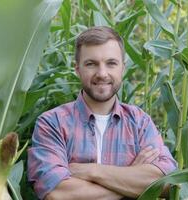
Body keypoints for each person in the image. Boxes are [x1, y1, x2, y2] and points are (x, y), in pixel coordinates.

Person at [28, 26, 177, 200]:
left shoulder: (139, 122)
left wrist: (92, 171)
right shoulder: (52, 123)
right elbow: (57, 194)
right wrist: (130, 181)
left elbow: (167, 183)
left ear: (122, 67)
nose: (102, 73)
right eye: (91, 64)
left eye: (111, 63)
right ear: (77, 69)